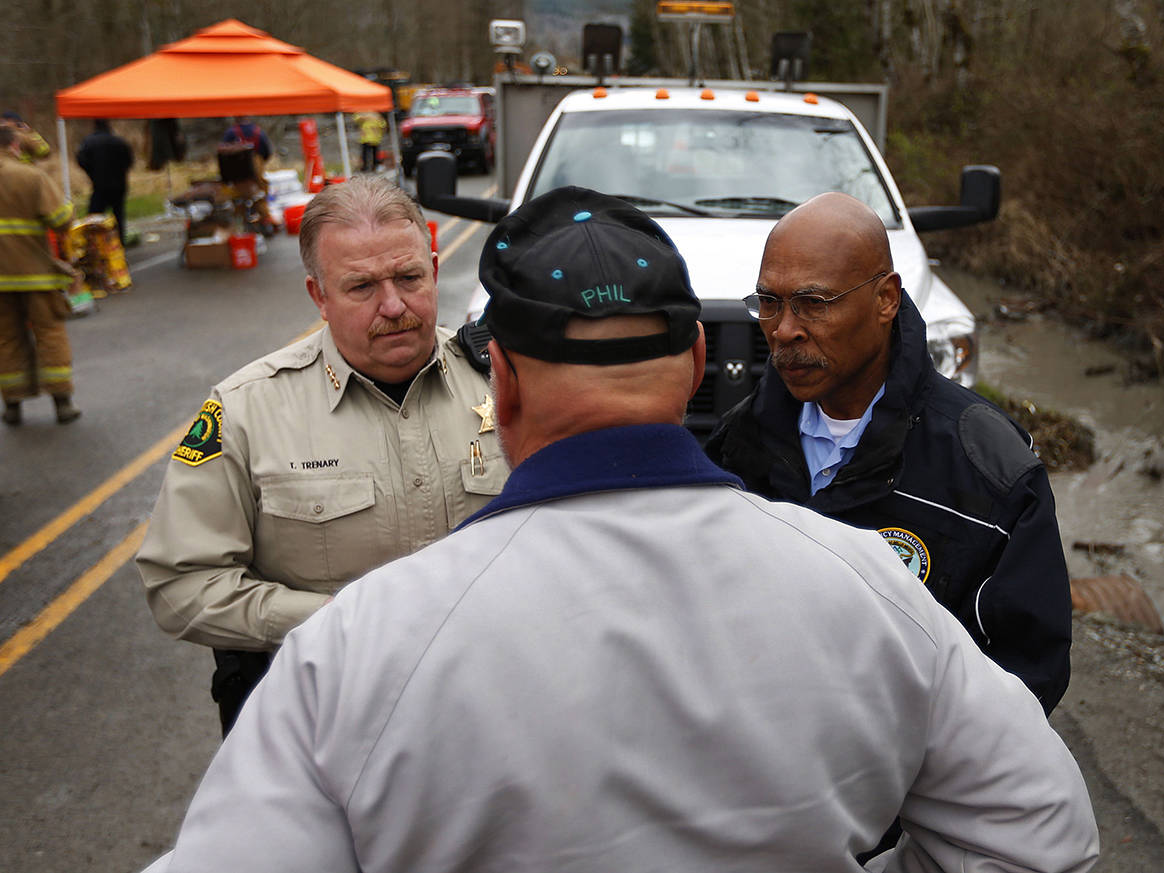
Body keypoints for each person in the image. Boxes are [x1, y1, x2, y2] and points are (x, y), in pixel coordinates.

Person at [145, 187, 1098, 873]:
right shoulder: (869, 585)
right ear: (696, 360)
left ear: (500, 384)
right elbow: (1042, 826)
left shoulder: (356, 649)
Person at [136, 175, 509, 735]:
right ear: (319, 296)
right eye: (361, 287)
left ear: (434, 269)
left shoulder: (508, 385)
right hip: (329, 721)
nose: (393, 306)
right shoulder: (246, 411)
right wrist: (336, 622)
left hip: (490, 703)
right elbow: (180, 585)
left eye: (409, 278)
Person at [706, 192, 1073, 715]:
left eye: (813, 303)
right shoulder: (736, 448)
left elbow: (1028, 676)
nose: (784, 330)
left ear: (886, 300)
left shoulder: (989, 472)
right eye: (769, 302)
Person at [0, 123, 79, 425]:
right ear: (14, 146)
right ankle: (62, 403)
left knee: (6, 339)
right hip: (35, 275)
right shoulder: (31, 176)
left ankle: (12, 406)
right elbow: (60, 220)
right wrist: (68, 207)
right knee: (49, 334)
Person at [76, 120, 134, 243]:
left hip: (99, 185)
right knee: (118, 215)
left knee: (94, 216)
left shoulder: (89, 142)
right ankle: (120, 242)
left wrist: (91, 173)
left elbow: (81, 160)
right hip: (119, 185)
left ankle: (94, 243)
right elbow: (129, 161)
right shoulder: (119, 141)